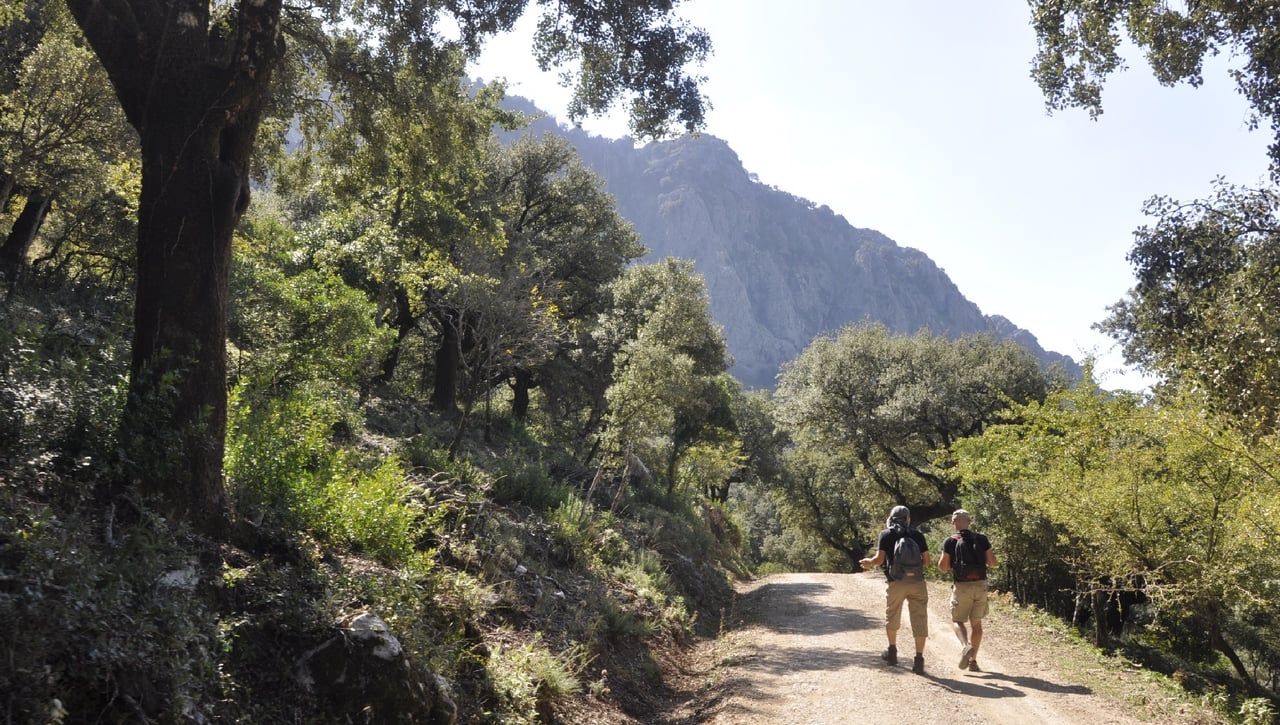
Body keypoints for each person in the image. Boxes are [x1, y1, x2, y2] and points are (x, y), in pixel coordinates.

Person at [859, 505, 931, 674]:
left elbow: (879, 559)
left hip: (895, 582)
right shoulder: (917, 535)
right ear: (908, 519)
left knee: (892, 615)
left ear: (891, 519)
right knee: (919, 619)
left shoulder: (886, 534)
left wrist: (868, 562)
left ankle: (892, 652)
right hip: (917, 583)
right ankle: (919, 660)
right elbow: (927, 562)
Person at [938, 509, 996, 671]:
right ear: (969, 522)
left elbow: (943, 568)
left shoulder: (950, 541)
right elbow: (992, 563)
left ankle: (965, 645)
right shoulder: (982, 539)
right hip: (981, 585)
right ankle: (973, 661)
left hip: (962, 586)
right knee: (976, 624)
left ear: (954, 523)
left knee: (957, 621)